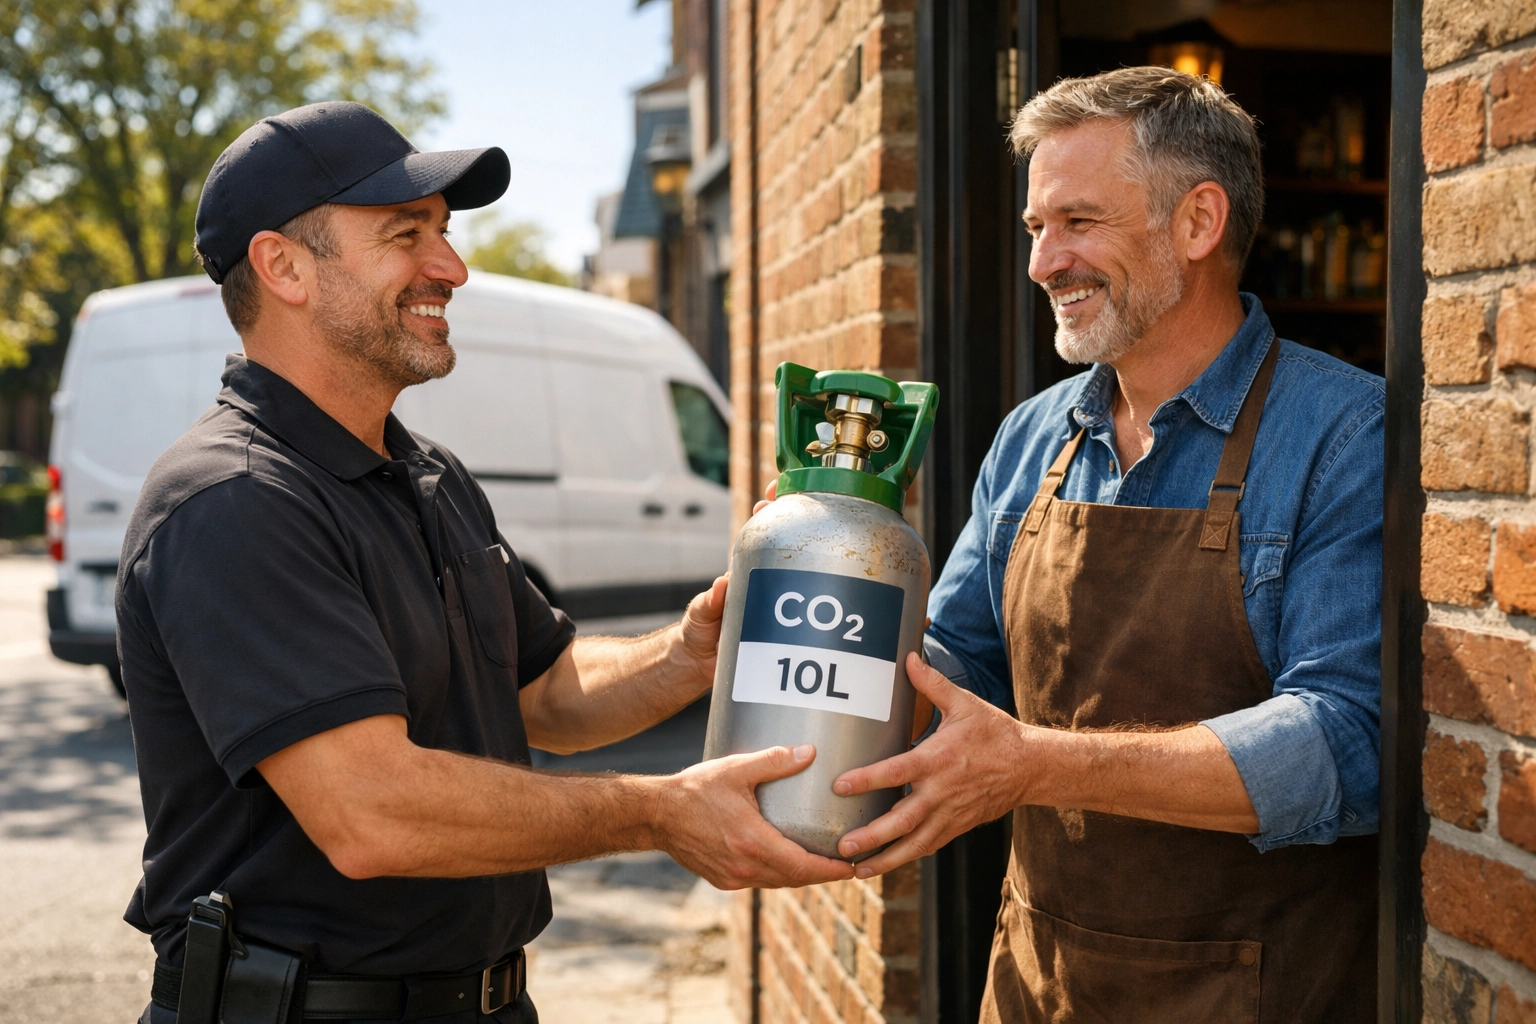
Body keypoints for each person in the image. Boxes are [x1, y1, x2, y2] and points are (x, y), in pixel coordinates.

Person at [120, 101, 853, 1024]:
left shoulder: (428, 474)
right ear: (284, 267)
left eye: (444, 232)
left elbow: (545, 694)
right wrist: (661, 811)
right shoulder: (231, 499)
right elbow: (372, 812)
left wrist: (695, 651)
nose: (452, 267)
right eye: (406, 235)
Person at [809, 68, 1382, 1021]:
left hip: (1253, 995)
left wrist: (1035, 764)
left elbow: (1346, 743)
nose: (1043, 263)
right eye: (1037, 227)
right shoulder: (1033, 435)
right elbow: (955, 666)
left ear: (1199, 222)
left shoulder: (1344, 434)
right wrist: (820, 599)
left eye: (1078, 221)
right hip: (1039, 982)